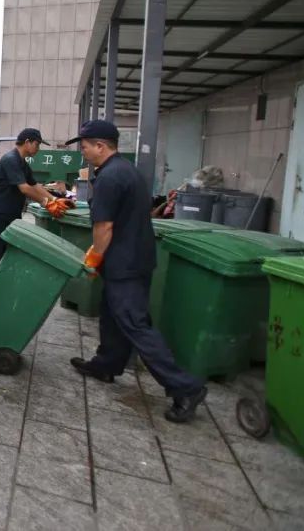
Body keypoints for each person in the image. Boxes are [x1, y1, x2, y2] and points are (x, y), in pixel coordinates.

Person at [65, 120, 207, 423]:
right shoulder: (126, 170)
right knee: (113, 314)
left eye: (86, 146)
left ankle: (184, 387)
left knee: (134, 324)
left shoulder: (110, 178)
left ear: (101, 146)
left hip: (124, 263)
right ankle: (106, 365)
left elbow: (104, 226)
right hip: (135, 258)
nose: (84, 151)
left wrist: (93, 260)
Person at [0, 128, 72, 305]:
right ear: (28, 142)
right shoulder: (11, 159)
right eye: (37, 144)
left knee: (5, 250)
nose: (38, 149)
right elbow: (25, 189)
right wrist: (47, 203)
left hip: (10, 212)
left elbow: (34, 185)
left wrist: (55, 200)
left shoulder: (22, 163)